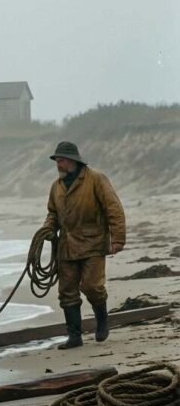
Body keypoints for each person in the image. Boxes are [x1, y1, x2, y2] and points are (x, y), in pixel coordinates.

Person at [37, 141, 125, 349]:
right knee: (67, 292)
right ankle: (74, 337)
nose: (58, 165)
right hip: (66, 247)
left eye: (62, 160)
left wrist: (118, 239)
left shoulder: (96, 179)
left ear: (73, 161)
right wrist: (48, 228)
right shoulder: (56, 186)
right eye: (57, 161)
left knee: (92, 287)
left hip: (93, 243)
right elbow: (53, 213)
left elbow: (114, 209)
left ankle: (102, 322)